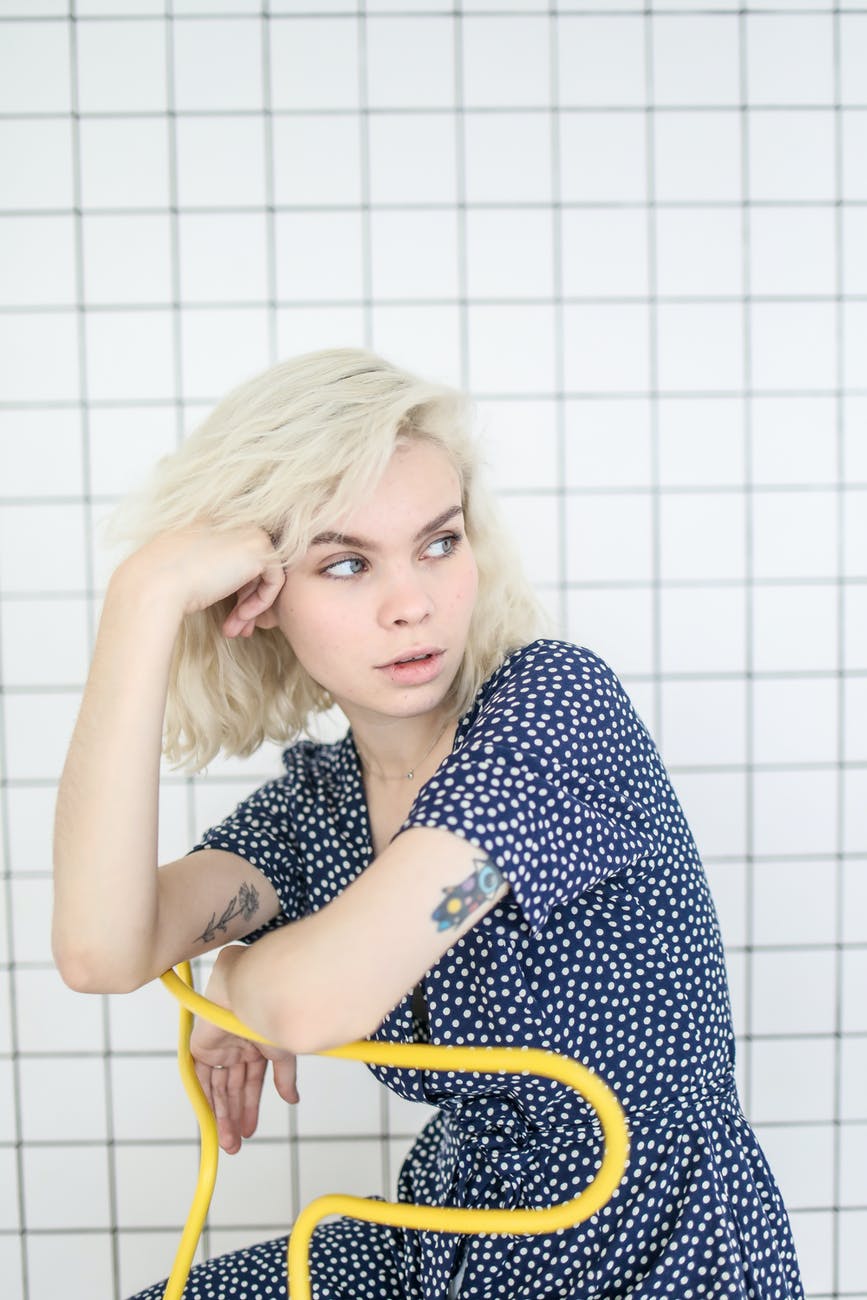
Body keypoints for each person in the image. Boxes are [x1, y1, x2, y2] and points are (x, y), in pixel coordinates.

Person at [52, 348, 804, 1300]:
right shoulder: (318, 808)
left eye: (439, 543)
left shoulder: (555, 715)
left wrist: (233, 977)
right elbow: (99, 951)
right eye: (346, 563)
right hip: (449, 1242)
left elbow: (314, 1004)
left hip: (650, 1257)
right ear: (260, 598)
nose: (412, 604)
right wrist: (143, 598)